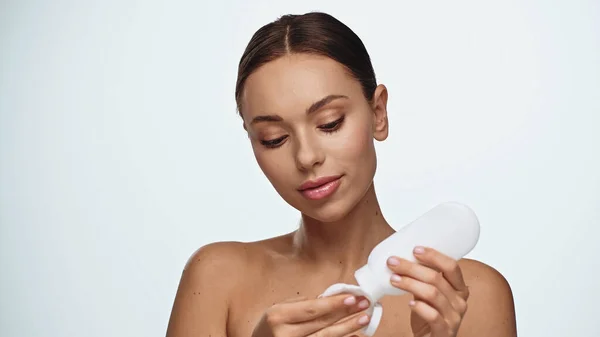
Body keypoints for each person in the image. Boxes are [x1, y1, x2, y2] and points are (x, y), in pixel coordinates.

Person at [166, 12, 517, 337]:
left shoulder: (473, 296)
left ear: (378, 113)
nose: (306, 157)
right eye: (274, 139)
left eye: (330, 123)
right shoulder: (217, 278)